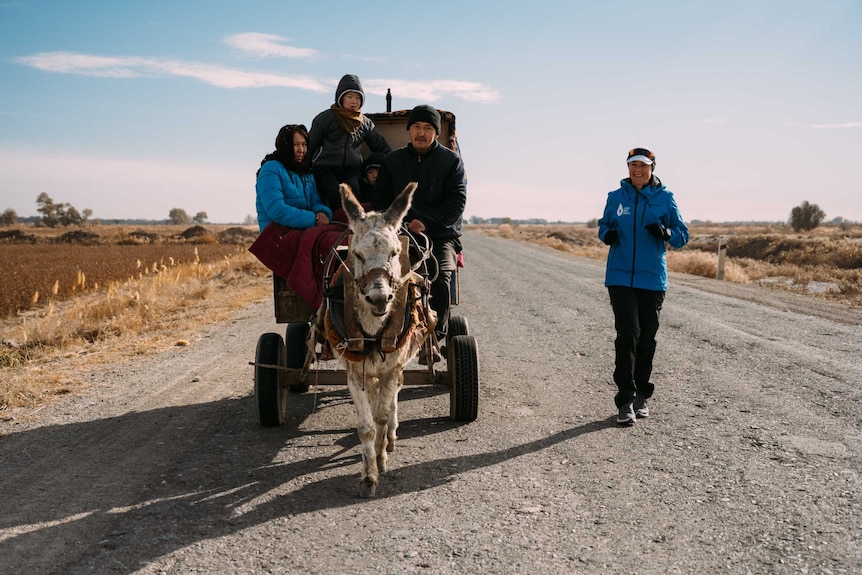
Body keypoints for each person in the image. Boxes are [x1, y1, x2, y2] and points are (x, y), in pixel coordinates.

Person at [597, 147, 689, 426]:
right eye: (633, 165)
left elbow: (682, 235)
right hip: (620, 276)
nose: (638, 170)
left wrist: (666, 233)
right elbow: (603, 226)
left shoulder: (665, 198)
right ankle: (625, 400)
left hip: (652, 278)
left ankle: (642, 397)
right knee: (628, 335)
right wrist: (607, 235)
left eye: (643, 165)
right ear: (628, 168)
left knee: (647, 338)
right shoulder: (615, 198)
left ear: (652, 168)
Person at [372, 105, 467, 364]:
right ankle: (381, 337)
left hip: (439, 235)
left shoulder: (451, 162)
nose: (421, 133)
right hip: (398, 235)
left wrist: (426, 222)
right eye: (416, 127)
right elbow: (379, 200)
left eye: (427, 128)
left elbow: (456, 203)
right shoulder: (392, 162)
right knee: (381, 277)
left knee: (439, 277)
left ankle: (433, 339)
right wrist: (396, 223)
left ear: (436, 132)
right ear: (409, 130)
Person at [308, 74, 391, 211]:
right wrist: (303, 167)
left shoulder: (364, 123)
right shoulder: (326, 118)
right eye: (350, 96)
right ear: (341, 98)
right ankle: (334, 227)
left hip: (351, 170)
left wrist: (396, 161)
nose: (354, 101)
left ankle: (352, 230)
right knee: (334, 194)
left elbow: (379, 144)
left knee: (354, 197)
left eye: (358, 97)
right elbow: (311, 143)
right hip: (326, 167)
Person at [255, 124, 332, 231]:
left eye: (304, 144)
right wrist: (313, 218)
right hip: (277, 233)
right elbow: (277, 210)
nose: (301, 150)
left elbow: (315, 200)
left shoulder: (306, 171)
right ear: (285, 145)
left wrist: (321, 212)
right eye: (296, 144)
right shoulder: (271, 169)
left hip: (303, 229)